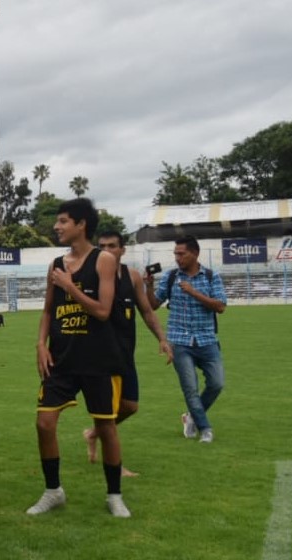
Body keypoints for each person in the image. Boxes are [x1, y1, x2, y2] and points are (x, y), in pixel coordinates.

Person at [29, 198, 130, 518]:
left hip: (97, 358)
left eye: (62, 221)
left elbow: (102, 310)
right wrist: (40, 344)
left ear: (81, 224)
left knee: (106, 426)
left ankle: (114, 495)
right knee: (44, 423)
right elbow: (48, 310)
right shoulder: (56, 264)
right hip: (61, 359)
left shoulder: (103, 261)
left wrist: (71, 288)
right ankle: (53, 490)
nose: (56, 227)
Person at [84, 232, 173, 472]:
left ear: (122, 250)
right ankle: (116, 467)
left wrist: (162, 339)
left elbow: (146, 311)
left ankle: (93, 434)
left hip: (125, 354)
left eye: (112, 246)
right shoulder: (91, 277)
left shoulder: (132, 277)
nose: (106, 250)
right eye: (101, 246)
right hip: (100, 357)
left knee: (130, 406)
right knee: (107, 410)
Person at [145, 235, 227, 443]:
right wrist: (149, 286)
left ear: (195, 253)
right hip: (179, 341)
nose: (177, 258)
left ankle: (190, 416)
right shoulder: (171, 277)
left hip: (207, 339)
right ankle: (205, 429)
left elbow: (220, 306)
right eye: (175, 254)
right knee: (190, 388)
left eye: (181, 254)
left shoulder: (210, 276)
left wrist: (193, 292)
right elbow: (153, 305)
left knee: (217, 383)